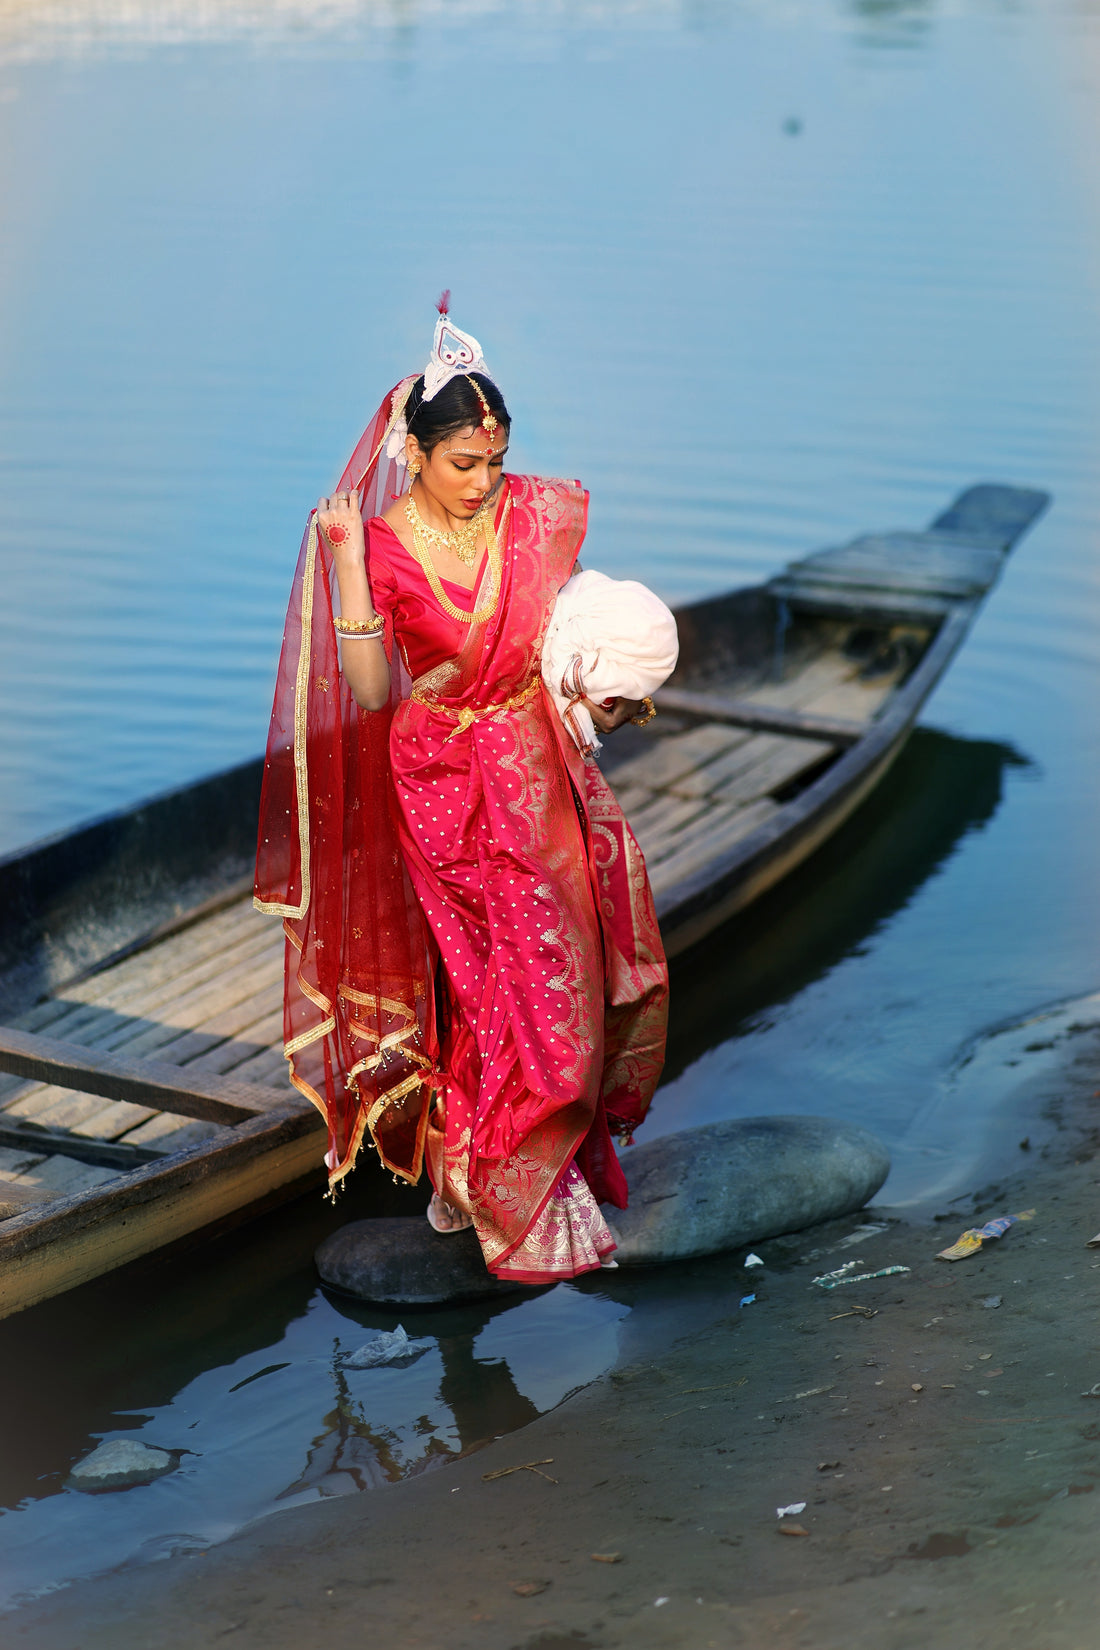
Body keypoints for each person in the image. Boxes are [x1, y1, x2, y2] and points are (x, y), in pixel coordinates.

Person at [255, 298, 668, 1283]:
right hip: (437, 778)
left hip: (532, 766)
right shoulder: (383, 545)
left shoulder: (537, 514)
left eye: (495, 459)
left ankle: (492, 1169)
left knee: (565, 977)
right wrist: (351, 569)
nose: (486, 483)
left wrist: (606, 682)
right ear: (416, 451)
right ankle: (504, 1179)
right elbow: (364, 691)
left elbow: (560, 630)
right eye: (464, 464)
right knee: (489, 981)